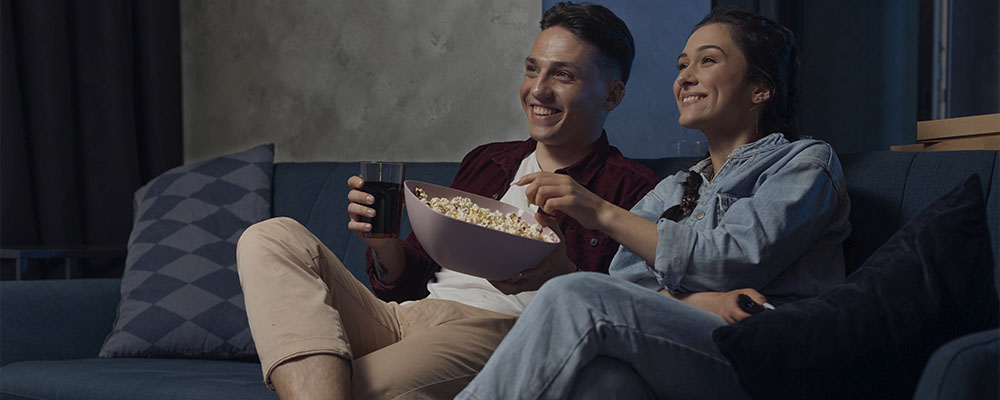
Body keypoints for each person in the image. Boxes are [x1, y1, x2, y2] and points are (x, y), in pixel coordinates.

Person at [236, 3, 658, 399]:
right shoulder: (487, 161)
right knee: (269, 237)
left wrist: (558, 272)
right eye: (532, 70)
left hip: (501, 329)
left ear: (612, 95)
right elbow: (412, 275)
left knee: (359, 389)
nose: (538, 90)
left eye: (563, 75)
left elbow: (621, 317)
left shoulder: (631, 190)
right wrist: (384, 246)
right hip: (408, 316)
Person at [456, 6, 852, 400]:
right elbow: (625, 280)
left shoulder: (805, 163)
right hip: (686, 350)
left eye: (708, 60)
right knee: (601, 383)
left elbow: (731, 259)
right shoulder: (676, 187)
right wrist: (705, 302)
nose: (685, 77)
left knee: (573, 294)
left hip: (764, 358)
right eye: (683, 65)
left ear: (759, 88)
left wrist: (599, 211)